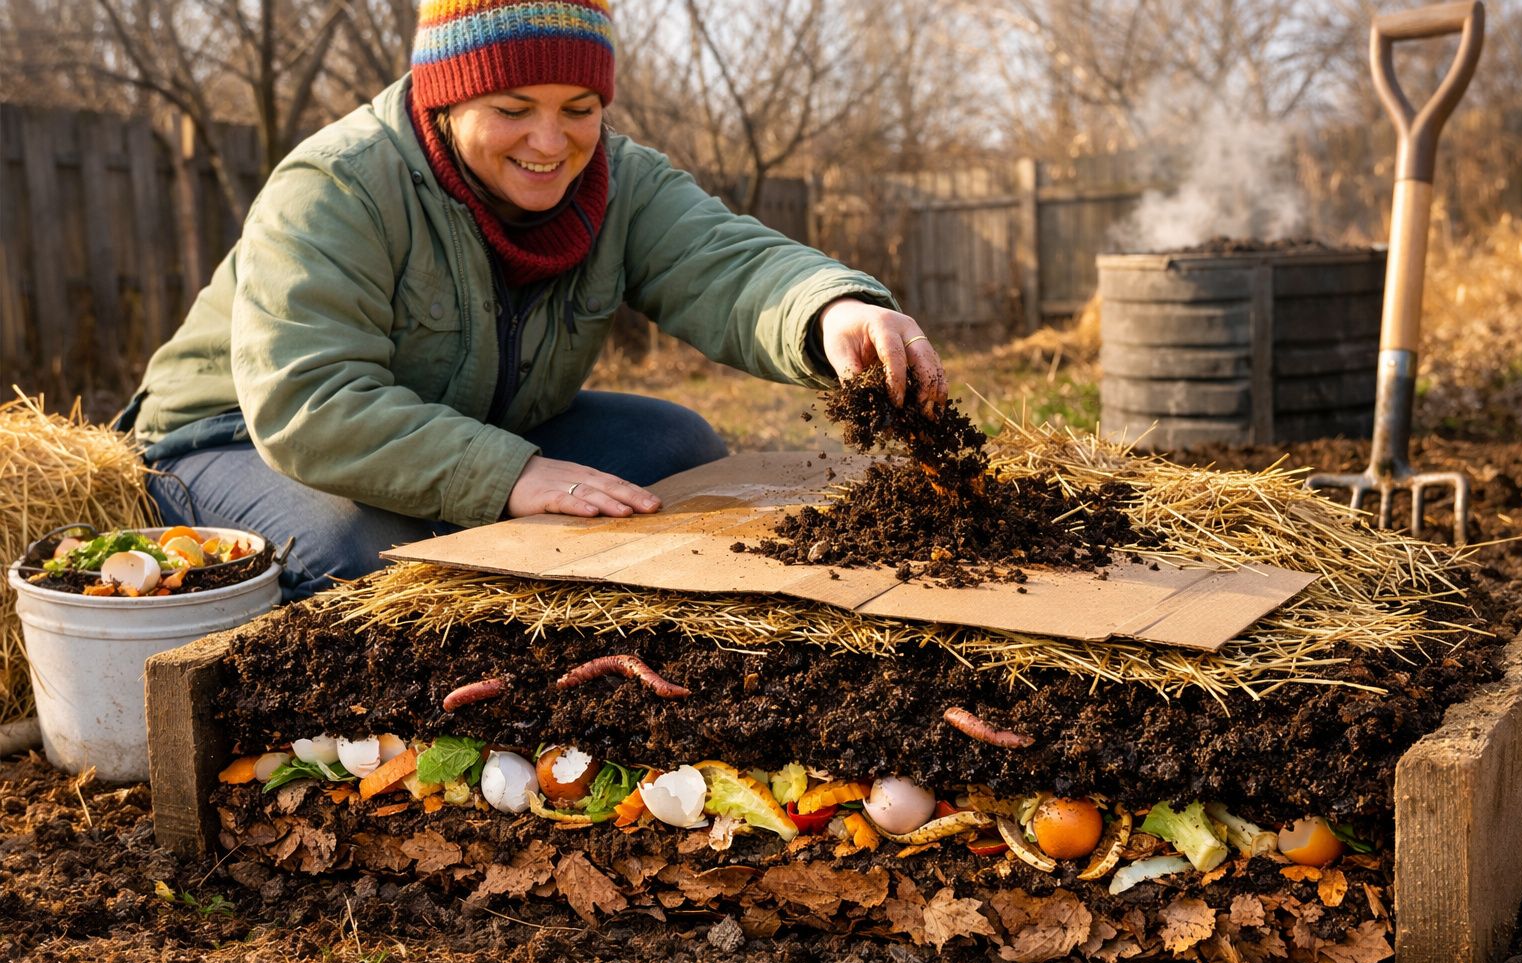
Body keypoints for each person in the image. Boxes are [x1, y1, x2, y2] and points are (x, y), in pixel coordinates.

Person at [120, 0, 948, 602]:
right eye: (512, 109)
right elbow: (311, 404)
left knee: (676, 445)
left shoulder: (619, 180)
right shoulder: (337, 185)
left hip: (472, 422)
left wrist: (830, 312)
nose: (551, 144)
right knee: (360, 551)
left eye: (578, 109)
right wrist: (510, 472)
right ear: (446, 98)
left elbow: (725, 263)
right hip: (232, 442)